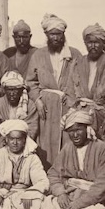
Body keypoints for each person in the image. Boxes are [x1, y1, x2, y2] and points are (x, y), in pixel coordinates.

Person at [25, 13, 83, 168]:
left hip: (67, 106)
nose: (55, 38)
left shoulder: (75, 54)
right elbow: (30, 82)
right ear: (46, 35)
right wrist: (37, 100)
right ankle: (47, 174)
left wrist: (74, 101)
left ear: (63, 34)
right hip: (46, 106)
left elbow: (81, 82)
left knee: (68, 139)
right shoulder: (38, 55)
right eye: (52, 34)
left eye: (58, 34)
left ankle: (67, 172)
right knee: (46, 141)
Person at [65, 23, 105, 164]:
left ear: (103, 43)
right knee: (83, 150)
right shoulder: (77, 63)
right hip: (82, 113)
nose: (92, 46)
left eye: (96, 42)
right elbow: (70, 90)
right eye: (89, 42)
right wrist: (73, 111)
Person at [42, 108, 105, 209]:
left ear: (87, 128)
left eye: (78, 130)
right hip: (69, 195)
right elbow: (53, 174)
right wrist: (60, 194)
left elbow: (103, 184)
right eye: (71, 131)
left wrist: (79, 204)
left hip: (92, 199)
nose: (75, 135)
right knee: (43, 207)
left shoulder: (101, 148)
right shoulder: (67, 148)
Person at [0, 120, 49, 209]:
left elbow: (42, 181)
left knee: (42, 200)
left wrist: (29, 193)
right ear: (6, 139)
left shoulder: (32, 158)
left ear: (24, 140)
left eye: (19, 139)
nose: (15, 143)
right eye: (11, 139)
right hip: (2, 195)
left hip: (23, 196)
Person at [0, 71, 39, 145]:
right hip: (4, 141)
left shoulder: (30, 105)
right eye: (9, 89)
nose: (12, 93)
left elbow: (32, 129)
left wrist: (20, 142)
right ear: (4, 90)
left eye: (15, 89)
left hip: (24, 141)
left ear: (21, 90)